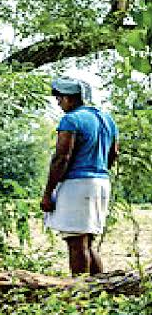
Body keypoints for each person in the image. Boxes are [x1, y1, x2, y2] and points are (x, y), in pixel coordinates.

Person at [41, 77, 119, 276]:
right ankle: (100, 292)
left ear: (70, 98)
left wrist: (48, 192)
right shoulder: (107, 119)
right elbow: (114, 154)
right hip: (101, 181)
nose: (58, 103)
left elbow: (62, 157)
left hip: (78, 184)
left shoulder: (71, 120)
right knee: (88, 242)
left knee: (76, 243)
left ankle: (80, 295)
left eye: (59, 98)